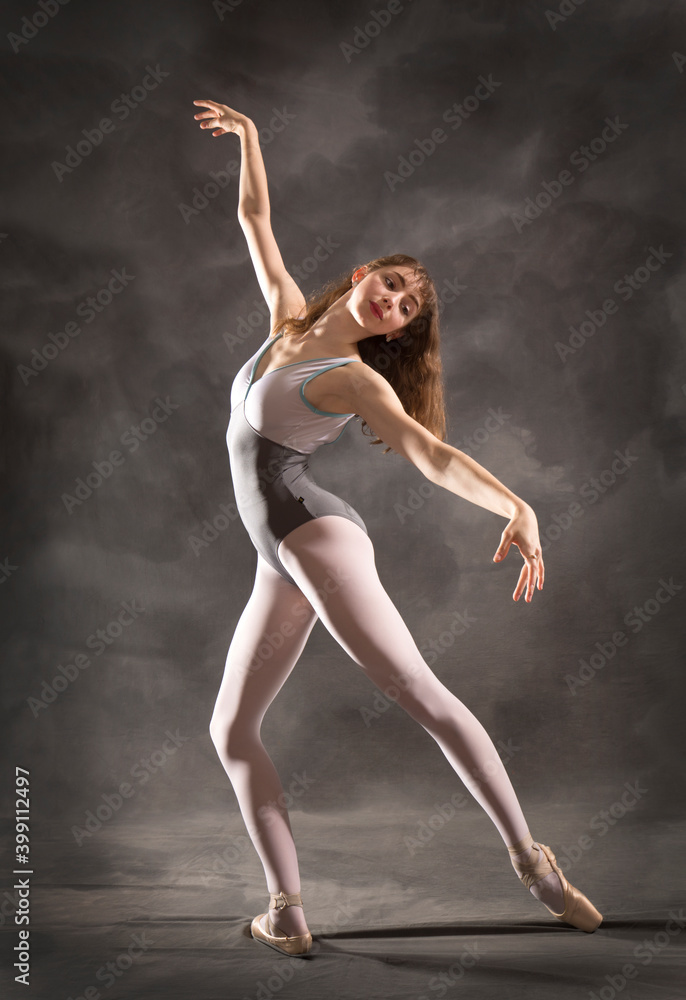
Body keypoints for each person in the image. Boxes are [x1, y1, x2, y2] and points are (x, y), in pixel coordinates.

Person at [193, 99, 603, 957]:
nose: (400, 304)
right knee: (230, 731)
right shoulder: (285, 322)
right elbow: (255, 217)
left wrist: (519, 507)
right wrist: (254, 139)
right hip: (279, 555)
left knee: (419, 694)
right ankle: (288, 912)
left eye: (410, 309)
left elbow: (430, 456)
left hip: (317, 535)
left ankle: (535, 866)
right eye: (395, 285)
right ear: (360, 276)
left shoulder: (353, 380)